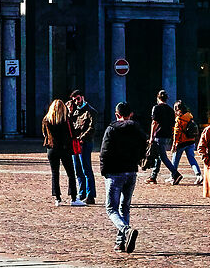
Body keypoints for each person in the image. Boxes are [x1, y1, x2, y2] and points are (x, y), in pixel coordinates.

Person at [98, 101, 148, 254]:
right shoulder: (137, 128)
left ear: (117, 114)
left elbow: (104, 152)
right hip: (131, 171)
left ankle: (125, 231)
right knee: (124, 207)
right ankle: (120, 242)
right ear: (130, 114)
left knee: (111, 208)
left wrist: (104, 171)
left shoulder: (112, 129)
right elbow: (144, 147)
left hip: (114, 172)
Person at [42, 93, 78, 203]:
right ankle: (73, 198)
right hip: (64, 148)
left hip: (52, 149)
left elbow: (44, 134)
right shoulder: (66, 120)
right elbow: (72, 133)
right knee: (71, 173)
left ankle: (57, 198)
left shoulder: (46, 120)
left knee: (55, 173)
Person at [65, 90, 97, 205]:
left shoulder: (90, 111)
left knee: (86, 168)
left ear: (82, 97)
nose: (76, 101)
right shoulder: (74, 111)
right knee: (77, 169)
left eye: (77, 99)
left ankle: (90, 194)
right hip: (75, 143)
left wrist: (82, 138)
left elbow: (92, 128)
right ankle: (81, 192)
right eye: (74, 100)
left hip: (85, 143)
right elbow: (69, 125)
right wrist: (69, 111)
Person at [146, 91, 183, 185]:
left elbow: (154, 123)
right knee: (158, 156)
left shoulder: (156, 108)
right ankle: (153, 177)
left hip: (158, 135)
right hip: (167, 135)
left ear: (158, 98)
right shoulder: (170, 110)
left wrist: (151, 136)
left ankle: (175, 173)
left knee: (162, 156)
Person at [172, 101, 201, 178]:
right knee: (192, 159)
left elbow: (176, 133)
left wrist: (174, 144)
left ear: (178, 110)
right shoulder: (189, 116)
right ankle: (198, 175)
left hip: (182, 142)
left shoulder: (179, 119)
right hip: (191, 141)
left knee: (175, 160)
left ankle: (173, 176)